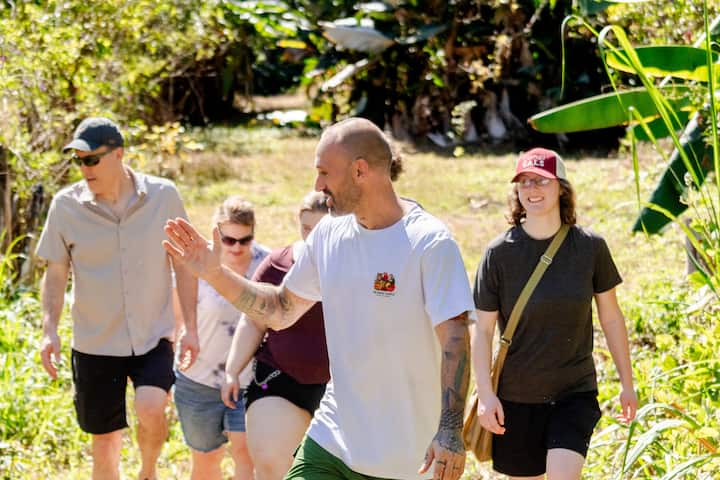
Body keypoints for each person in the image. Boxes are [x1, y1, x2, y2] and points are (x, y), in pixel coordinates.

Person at [163, 117, 475, 480]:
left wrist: (450, 429)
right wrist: (215, 273)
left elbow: (455, 337)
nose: (317, 185)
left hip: (406, 455)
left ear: (360, 170)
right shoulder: (329, 233)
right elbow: (279, 310)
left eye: (325, 172)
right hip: (333, 438)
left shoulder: (429, 243)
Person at [36, 116, 199, 480]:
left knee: (151, 406)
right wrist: (49, 330)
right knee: (105, 444)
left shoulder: (163, 197)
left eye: (92, 159)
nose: (85, 169)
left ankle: (148, 471)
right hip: (95, 340)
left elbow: (184, 264)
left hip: (152, 333)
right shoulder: (65, 207)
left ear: (119, 154)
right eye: (79, 161)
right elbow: (56, 273)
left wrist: (190, 327)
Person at [471, 148, 638, 479]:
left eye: (542, 181)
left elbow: (611, 318)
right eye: (524, 182)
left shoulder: (590, 247)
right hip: (516, 397)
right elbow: (483, 330)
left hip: (573, 393)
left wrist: (627, 383)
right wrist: (486, 396)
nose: (532, 189)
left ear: (561, 188)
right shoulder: (498, 254)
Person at [221, 191, 330, 480]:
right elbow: (253, 321)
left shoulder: (358, 267)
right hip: (280, 379)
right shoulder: (277, 264)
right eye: (306, 228)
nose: (312, 237)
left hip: (340, 388)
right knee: (272, 463)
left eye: (320, 230)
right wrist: (232, 370)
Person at [173, 196, 270, 480]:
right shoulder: (196, 262)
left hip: (249, 379)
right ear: (216, 234)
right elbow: (177, 317)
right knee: (206, 459)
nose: (237, 247)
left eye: (245, 240)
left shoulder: (267, 265)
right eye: (229, 240)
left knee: (245, 454)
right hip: (198, 378)